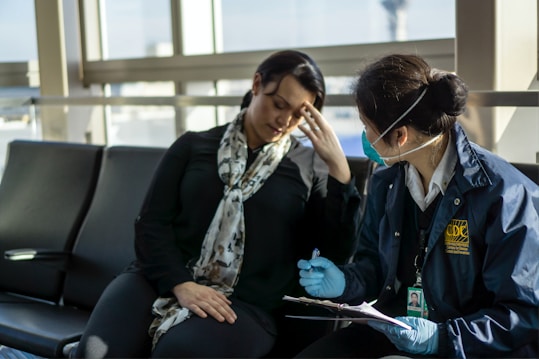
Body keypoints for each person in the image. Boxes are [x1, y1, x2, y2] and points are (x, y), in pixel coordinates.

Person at [75, 49, 362, 358]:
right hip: (158, 278)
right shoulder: (193, 145)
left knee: (179, 354)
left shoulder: (310, 168)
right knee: (93, 353)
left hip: (245, 303)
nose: (285, 120)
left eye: (298, 115)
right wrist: (180, 284)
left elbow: (334, 254)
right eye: (278, 104)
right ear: (256, 85)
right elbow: (151, 224)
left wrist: (340, 173)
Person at [295, 54, 539, 358]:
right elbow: (373, 267)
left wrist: (441, 338)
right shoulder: (386, 184)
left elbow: (524, 314)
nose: (365, 137)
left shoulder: (503, 194)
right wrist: (345, 281)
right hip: (395, 327)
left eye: (366, 125)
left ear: (399, 135)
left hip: (465, 345)